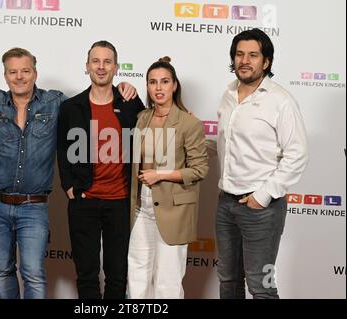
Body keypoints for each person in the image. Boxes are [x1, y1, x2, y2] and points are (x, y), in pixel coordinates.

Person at [0, 48, 137, 299]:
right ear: (5, 76)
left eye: (25, 71)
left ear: (35, 73)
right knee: (3, 270)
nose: (19, 77)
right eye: (13, 72)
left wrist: (124, 88)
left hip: (34, 205)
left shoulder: (56, 102)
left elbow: (89, 101)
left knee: (34, 273)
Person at [216, 28, 308, 299]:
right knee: (228, 281)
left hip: (262, 210)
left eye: (253, 55)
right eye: (240, 54)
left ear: (266, 62)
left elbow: (297, 153)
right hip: (226, 205)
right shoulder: (228, 94)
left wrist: (263, 195)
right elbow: (229, 145)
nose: (245, 60)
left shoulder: (281, 101)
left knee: (261, 287)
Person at [57, 40, 145, 299]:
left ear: (116, 67)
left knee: (118, 276)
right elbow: (62, 149)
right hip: (84, 201)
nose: (101, 66)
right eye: (96, 61)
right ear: (87, 66)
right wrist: (69, 186)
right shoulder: (72, 107)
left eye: (107, 61)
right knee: (86, 275)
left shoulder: (131, 104)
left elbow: (155, 125)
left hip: (120, 202)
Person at [127, 57, 208, 299]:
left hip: (174, 209)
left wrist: (160, 175)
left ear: (174, 85)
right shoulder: (141, 118)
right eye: (153, 82)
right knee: (137, 272)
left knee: (168, 279)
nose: (158, 88)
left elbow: (199, 169)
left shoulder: (189, 123)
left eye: (164, 81)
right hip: (141, 206)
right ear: (147, 87)